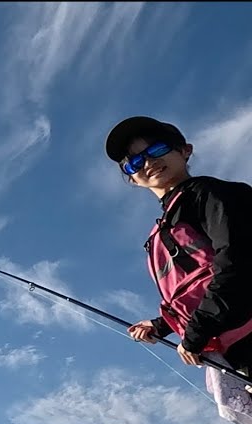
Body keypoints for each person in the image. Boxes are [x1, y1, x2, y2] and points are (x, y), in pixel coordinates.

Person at [105, 115, 252, 377]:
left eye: (157, 149)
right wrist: (162, 325)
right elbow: (197, 287)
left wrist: (196, 333)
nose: (148, 162)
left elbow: (237, 260)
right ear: (133, 180)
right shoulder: (168, 222)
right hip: (236, 349)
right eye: (135, 162)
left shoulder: (208, 194)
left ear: (185, 151)